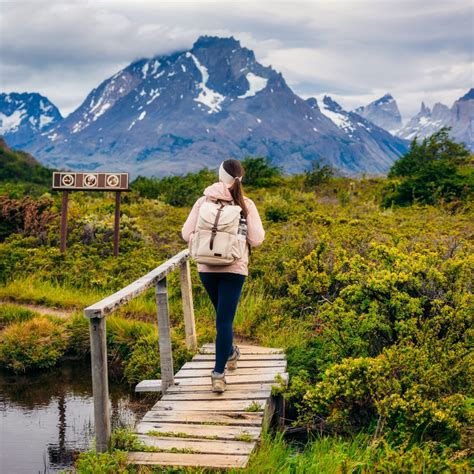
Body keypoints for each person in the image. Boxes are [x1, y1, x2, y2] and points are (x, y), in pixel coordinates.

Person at [181, 159, 265, 392]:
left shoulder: (202, 201)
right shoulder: (246, 204)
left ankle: (228, 354)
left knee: (221, 318)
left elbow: (186, 233)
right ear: (240, 179)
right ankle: (219, 373)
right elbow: (257, 240)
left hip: (207, 267)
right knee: (224, 320)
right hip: (234, 268)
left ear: (220, 176)